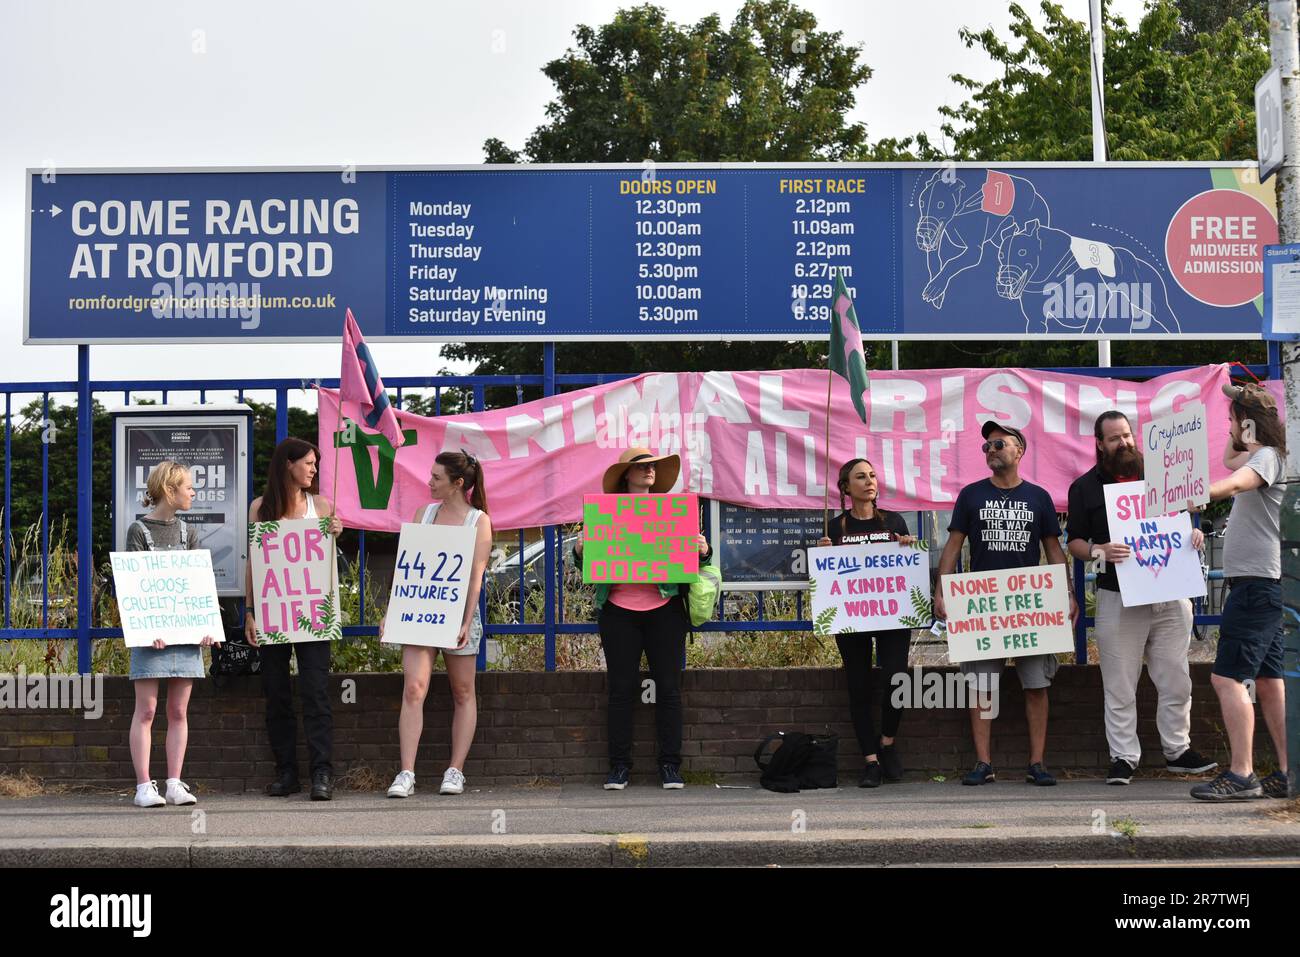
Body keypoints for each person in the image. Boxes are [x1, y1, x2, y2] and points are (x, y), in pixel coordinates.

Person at [1066, 411, 1216, 785]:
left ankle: (1178, 751)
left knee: (1176, 678)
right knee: (1119, 682)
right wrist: (1100, 550)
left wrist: (1193, 535)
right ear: (1099, 444)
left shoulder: (1165, 476)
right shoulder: (1084, 487)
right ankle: (1123, 757)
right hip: (1118, 596)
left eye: (1128, 436)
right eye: (1115, 438)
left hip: (1170, 593)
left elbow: (1186, 519)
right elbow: (1075, 543)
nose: (1125, 444)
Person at [934, 421, 1079, 786]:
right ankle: (984, 764)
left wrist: (1069, 593)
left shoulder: (1039, 497)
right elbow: (953, 547)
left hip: (1030, 608)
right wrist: (941, 589)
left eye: (999, 443)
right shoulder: (970, 496)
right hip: (982, 609)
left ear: (1019, 451)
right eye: (986, 446)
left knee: (1036, 685)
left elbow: (1054, 551)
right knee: (981, 685)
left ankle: (1037, 763)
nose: (991, 450)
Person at [575, 447, 712, 790]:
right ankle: (619, 767)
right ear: (626, 476)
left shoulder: (672, 512)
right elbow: (587, 565)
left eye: (653, 466)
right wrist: (579, 550)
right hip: (619, 611)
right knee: (620, 690)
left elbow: (695, 565)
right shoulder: (607, 514)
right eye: (642, 467)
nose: (650, 470)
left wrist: (703, 552)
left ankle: (670, 766)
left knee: (668, 689)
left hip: (664, 610)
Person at [1191, 382, 1290, 800]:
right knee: (1268, 681)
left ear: (1247, 422)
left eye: (1231, 418)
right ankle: (1289, 771)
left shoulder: (1267, 458)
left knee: (1226, 678)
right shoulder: (1261, 452)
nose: (1226, 423)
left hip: (1254, 587)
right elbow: (1232, 458)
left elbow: (1231, 483)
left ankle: (1241, 774)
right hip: (1262, 586)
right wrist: (1242, 432)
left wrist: (1188, 493)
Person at [385, 451, 494, 799]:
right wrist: (391, 611)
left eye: (436, 478)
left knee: (463, 691)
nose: (429, 482)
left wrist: (465, 621)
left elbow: (475, 576)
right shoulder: (424, 513)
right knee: (414, 687)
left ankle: (455, 770)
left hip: (459, 611)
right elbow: (408, 567)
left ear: (457, 484)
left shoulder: (479, 521)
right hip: (420, 609)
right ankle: (406, 772)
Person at [245, 437, 343, 801]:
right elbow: (254, 561)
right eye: (308, 463)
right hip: (274, 614)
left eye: (315, 464)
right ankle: (286, 772)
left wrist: (335, 531)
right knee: (277, 694)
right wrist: (251, 611)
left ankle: (322, 773)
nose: (313, 470)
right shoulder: (261, 507)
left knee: (316, 693)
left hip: (313, 615)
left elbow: (326, 558)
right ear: (288, 464)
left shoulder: (321, 505)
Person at [815, 458, 917, 787]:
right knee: (858, 685)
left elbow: (907, 567)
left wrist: (907, 545)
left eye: (872, 475)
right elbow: (823, 577)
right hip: (852, 618)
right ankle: (870, 761)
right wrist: (823, 554)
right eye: (860, 477)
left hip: (892, 616)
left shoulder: (894, 521)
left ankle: (887, 742)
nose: (869, 481)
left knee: (897, 678)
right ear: (846, 487)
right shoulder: (834, 528)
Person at [127, 461, 219, 808]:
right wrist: (148, 629)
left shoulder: (188, 533)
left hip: (183, 636)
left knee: (179, 711)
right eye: (188, 486)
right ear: (170, 490)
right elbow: (135, 587)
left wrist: (206, 626)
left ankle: (174, 783)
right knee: (147, 710)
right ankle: (142, 786)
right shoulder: (139, 531)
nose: (193, 492)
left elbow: (198, 583)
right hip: (151, 637)